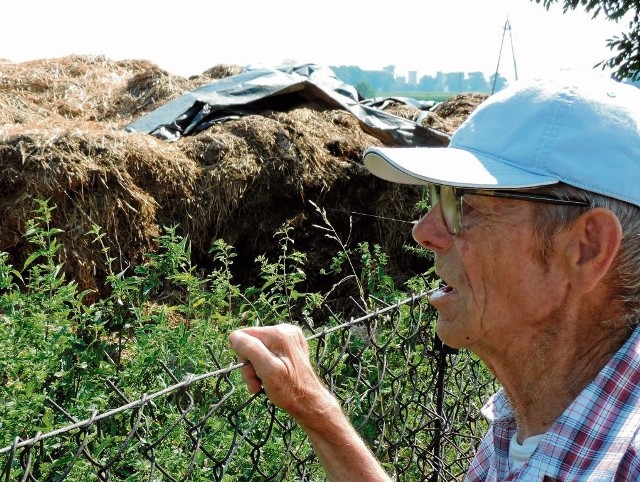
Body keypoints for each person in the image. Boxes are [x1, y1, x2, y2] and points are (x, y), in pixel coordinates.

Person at [229, 73, 640, 481]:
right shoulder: (533, 417)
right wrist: (314, 407)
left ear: (587, 249)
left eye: (465, 205)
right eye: (438, 196)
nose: (424, 232)